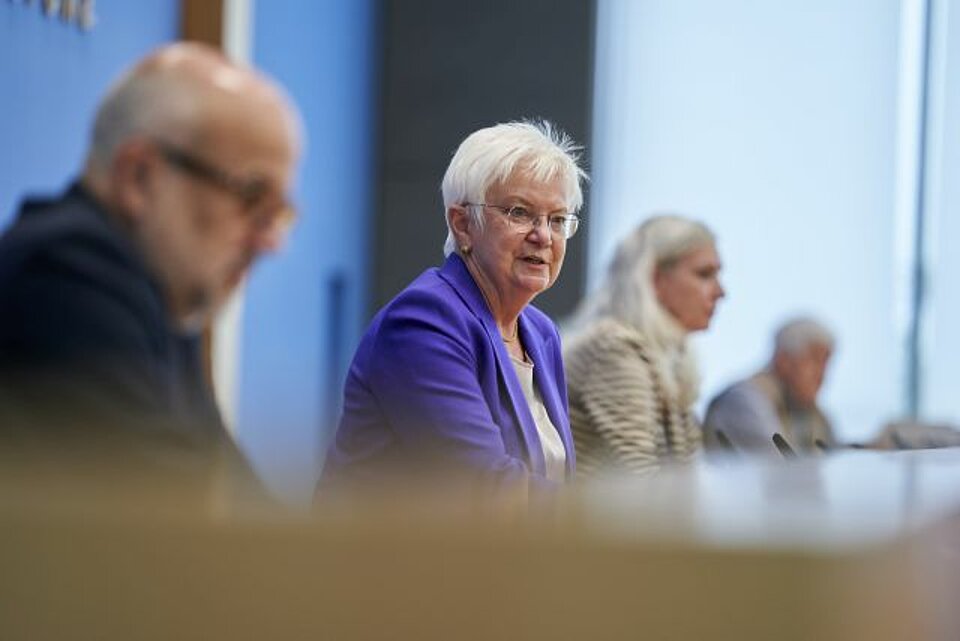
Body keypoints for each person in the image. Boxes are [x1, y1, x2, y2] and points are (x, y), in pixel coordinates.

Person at [0, 43, 301, 482]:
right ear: (139, 177)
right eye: (252, 197)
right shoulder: (61, 277)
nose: (271, 242)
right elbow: (183, 529)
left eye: (278, 213)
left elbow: (238, 507)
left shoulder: (161, 302)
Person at [320, 121, 587, 496]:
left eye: (557, 220)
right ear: (462, 225)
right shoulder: (424, 321)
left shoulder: (541, 333)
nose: (543, 235)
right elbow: (483, 489)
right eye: (519, 212)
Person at [564, 215, 725, 477]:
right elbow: (642, 477)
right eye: (704, 274)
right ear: (654, 278)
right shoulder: (614, 347)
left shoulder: (669, 355)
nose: (720, 292)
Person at [703, 317, 835, 455]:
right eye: (815, 361)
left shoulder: (811, 411)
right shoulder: (743, 401)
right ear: (783, 361)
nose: (821, 374)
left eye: (826, 363)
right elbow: (781, 463)